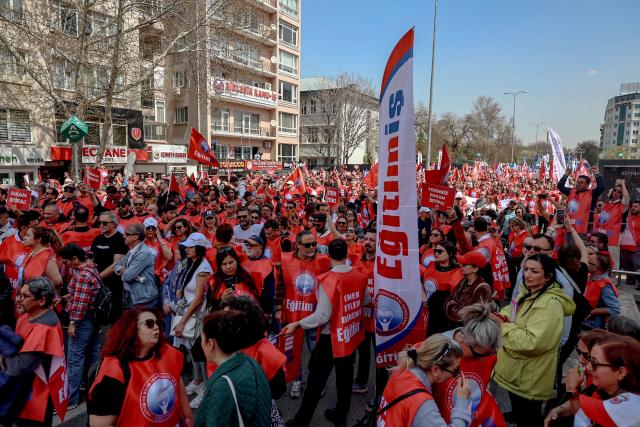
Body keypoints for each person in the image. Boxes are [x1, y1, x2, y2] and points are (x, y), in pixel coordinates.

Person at [283, 238, 367, 426]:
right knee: (345, 379)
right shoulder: (360, 276)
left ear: (328, 255)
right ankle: (341, 414)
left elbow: (322, 316)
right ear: (347, 253)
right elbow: (366, 300)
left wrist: (298, 324)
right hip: (350, 335)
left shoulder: (328, 279)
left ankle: (300, 422)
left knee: (314, 384)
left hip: (331, 338)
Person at [492, 253, 576, 427]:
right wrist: (502, 316)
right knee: (521, 414)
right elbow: (511, 310)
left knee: (529, 419)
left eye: (534, 271)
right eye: (526, 269)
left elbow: (532, 342)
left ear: (548, 277)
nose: (527, 275)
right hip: (515, 373)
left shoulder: (550, 304)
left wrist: (503, 327)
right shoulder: (527, 291)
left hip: (529, 378)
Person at [87, 307, 193, 426]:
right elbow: (100, 424)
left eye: (158, 322)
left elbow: (178, 387)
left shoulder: (168, 353)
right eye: (149, 323)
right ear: (131, 330)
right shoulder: (113, 371)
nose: (156, 327)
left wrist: (188, 419)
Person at [3, 277, 67, 426]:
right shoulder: (28, 316)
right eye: (19, 294)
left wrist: (1, 358)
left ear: (42, 301)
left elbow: (18, 367)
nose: (18, 299)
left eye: (24, 296)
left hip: (36, 400)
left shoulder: (44, 330)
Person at [278, 230, 331, 399]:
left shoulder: (324, 261)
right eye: (307, 244)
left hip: (314, 319)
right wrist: (278, 308)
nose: (312, 247)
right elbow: (280, 286)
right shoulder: (286, 260)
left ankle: (316, 383)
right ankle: (297, 380)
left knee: (316, 355)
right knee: (293, 353)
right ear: (298, 245)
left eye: (314, 244)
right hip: (291, 316)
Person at [377, 334, 471, 427]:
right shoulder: (422, 404)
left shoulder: (402, 370)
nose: (455, 375)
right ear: (436, 370)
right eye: (455, 370)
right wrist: (462, 402)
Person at [197, 309, 271, 427]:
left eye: (201, 339)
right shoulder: (251, 362)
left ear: (211, 344)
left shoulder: (221, 386)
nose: (201, 344)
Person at [546, 334, 640, 427]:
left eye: (595, 363)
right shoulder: (605, 389)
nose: (588, 367)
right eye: (590, 359)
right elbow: (585, 411)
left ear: (621, 372)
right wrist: (558, 410)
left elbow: (585, 417)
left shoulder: (631, 406)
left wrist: (572, 390)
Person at [433, 304, 504, 426]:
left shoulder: (485, 351)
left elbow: (481, 384)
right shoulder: (435, 351)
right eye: (479, 355)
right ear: (464, 342)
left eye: (490, 353)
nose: (485, 359)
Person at [171, 232, 212, 409]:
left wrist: (182, 322)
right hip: (189, 313)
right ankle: (197, 380)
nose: (186, 249)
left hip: (196, 317)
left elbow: (197, 300)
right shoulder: (194, 263)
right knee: (191, 350)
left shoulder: (203, 268)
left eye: (190, 246)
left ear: (200, 248)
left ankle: (206, 389)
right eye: (186, 246)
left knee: (199, 352)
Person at [59, 243, 102, 409]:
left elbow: (80, 303)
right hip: (91, 320)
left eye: (66, 262)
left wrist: (72, 323)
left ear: (75, 259)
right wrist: (63, 298)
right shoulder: (91, 269)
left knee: (74, 361)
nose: (65, 265)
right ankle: (94, 389)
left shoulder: (83, 274)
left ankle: (70, 400)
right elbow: (78, 293)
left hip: (83, 321)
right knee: (92, 356)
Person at [91, 211, 128, 321]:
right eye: (99, 223)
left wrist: (97, 277)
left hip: (114, 285)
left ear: (114, 224)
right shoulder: (97, 239)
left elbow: (115, 265)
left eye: (104, 223)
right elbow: (91, 260)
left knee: (114, 318)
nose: (101, 225)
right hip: (98, 284)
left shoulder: (120, 240)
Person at [114, 223, 158, 309]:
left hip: (143, 298)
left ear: (135, 237)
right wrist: (126, 270)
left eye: (127, 234)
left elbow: (127, 276)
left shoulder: (144, 253)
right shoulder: (131, 250)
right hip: (130, 294)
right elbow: (117, 265)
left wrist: (123, 270)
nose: (123, 236)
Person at [444, 252, 492, 325]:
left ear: (475, 269)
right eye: (461, 263)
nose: (460, 265)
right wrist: (453, 305)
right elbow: (449, 299)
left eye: (464, 264)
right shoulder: (463, 281)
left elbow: (466, 314)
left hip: (470, 330)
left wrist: (450, 305)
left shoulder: (483, 288)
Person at [592, 179, 629, 270]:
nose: (616, 192)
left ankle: (614, 282)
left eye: (619, 192)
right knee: (598, 258)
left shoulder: (622, 206)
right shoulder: (606, 203)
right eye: (615, 190)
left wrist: (623, 184)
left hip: (613, 238)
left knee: (613, 260)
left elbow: (626, 197)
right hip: (600, 237)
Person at [557, 165, 605, 234]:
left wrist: (596, 174)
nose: (578, 184)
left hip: (584, 229)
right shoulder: (571, 191)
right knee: (569, 245)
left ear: (587, 185)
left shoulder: (592, 193)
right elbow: (560, 186)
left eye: (581, 183)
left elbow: (601, 187)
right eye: (578, 182)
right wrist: (566, 174)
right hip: (569, 228)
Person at [584, 253, 620, 329]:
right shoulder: (592, 277)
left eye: (588, 262)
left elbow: (615, 309)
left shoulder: (605, 286)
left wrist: (592, 311)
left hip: (593, 325)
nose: (586, 263)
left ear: (595, 268)